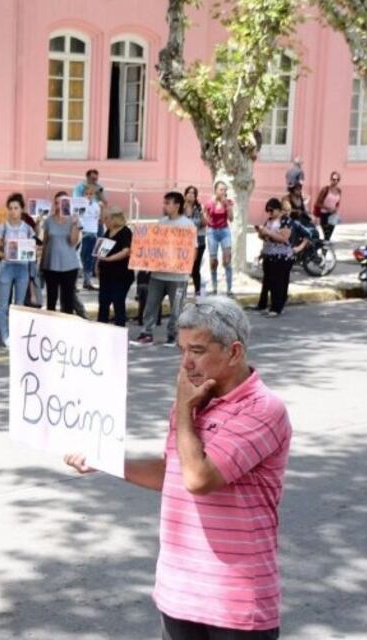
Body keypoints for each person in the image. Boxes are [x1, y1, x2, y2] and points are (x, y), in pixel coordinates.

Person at [65, 296, 292, 640]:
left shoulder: (263, 409)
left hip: (235, 602)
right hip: (180, 592)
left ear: (233, 352)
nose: (186, 363)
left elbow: (198, 479)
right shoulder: (193, 403)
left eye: (197, 351)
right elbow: (172, 472)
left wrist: (184, 410)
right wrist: (106, 460)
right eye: (181, 350)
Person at [134, 192, 194, 347]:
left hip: (178, 277)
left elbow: (192, 250)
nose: (165, 205)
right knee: (151, 304)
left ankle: (174, 336)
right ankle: (146, 333)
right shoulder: (161, 223)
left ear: (177, 205)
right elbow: (153, 245)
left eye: (168, 203)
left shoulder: (187, 225)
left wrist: (187, 267)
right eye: (165, 202)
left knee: (176, 308)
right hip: (158, 274)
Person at [0, 193, 35, 347]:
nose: (13, 211)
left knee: (19, 305)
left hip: (23, 269)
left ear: (21, 209)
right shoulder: (3, 227)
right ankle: (5, 336)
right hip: (7, 268)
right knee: (3, 305)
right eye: (10, 208)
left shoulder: (28, 228)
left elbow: (35, 247)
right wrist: (5, 255)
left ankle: (16, 334)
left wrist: (33, 251)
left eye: (16, 208)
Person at [42, 191, 82, 314]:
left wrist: (75, 224)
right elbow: (45, 242)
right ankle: (51, 329)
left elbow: (73, 242)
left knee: (67, 301)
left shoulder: (73, 220)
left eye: (63, 202)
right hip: (51, 265)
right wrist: (42, 263)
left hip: (69, 266)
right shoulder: (48, 221)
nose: (60, 205)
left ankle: (66, 328)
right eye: (57, 202)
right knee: (51, 300)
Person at [254, 198, 294, 317]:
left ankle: (277, 307)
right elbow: (266, 237)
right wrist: (261, 233)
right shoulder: (269, 221)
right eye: (268, 211)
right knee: (268, 282)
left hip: (282, 256)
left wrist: (268, 232)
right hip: (269, 254)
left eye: (271, 211)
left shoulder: (285, 221)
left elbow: (283, 238)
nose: (269, 213)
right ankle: (265, 304)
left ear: (278, 209)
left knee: (279, 283)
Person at [95, 210, 134, 326]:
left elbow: (126, 251)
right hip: (106, 273)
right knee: (103, 302)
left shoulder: (126, 232)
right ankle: (101, 327)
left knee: (118, 302)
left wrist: (109, 259)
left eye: (107, 218)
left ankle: (120, 329)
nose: (104, 221)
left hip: (121, 274)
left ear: (114, 219)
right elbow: (101, 250)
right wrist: (98, 264)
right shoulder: (108, 231)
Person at [204, 181, 234, 296]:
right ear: (215, 190)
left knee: (227, 260)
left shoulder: (228, 202)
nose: (223, 192)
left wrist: (227, 207)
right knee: (213, 262)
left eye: (225, 190)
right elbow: (205, 218)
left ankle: (229, 289)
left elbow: (231, 219)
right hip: (212, 232)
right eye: (221, 189)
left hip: (224, 231)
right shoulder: (209, 203)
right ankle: (214, 288)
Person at [184, 185, 208, 296]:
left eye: (193, 193)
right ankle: (181, 292)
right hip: (184, 243)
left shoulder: (199, 208)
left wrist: (201, 212)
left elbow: (203, 224)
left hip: (199, 242)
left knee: (195, 268)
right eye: (189, 192)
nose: (191, 195)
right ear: (185, 194)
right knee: (184, 268)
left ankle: (198, 292)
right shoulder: (180, 208)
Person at [313, 171, 343, 241]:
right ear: (330, 179)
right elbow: (317, 203)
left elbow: (337, 202)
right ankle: (321, 249)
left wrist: (336, 208)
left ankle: (323, 251)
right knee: (326, 235)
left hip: (333, 216)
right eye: (333, 179)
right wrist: (328, 208)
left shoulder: (339, 190)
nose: (335, 181)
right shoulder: (325, 189)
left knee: (328, 237)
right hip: (324, 215)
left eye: (337, 179)